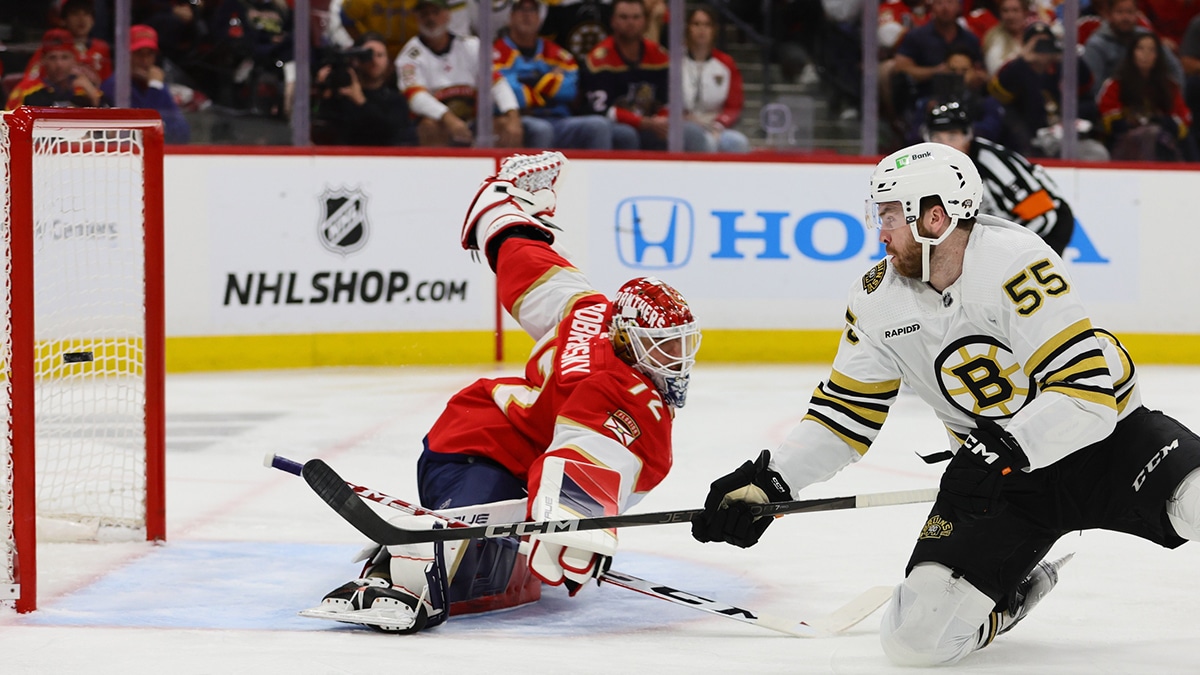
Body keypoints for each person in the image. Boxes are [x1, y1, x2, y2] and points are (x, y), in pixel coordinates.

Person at [691, 141, 1200, 666]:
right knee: (914, 643)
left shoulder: (1014, 264)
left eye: (889, 213)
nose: (879, 230)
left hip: (1107, 446)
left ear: (934, 216)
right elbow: (846, 413)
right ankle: (1010, 597)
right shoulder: (875, 298)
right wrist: (773, 481)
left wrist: (1000, 449)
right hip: (1000, 483)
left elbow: (1086, 396)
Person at [310, 151, 702, 633]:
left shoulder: (591, 309)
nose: (675, 361)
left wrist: (503, 211)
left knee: (501, 538)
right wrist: (571, 519)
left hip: (486, 433)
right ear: (625, 337)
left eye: (680, 347)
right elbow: (582, 452)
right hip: (477, 451)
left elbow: (529, 265)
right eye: (661, 348)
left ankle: (442, 539)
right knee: (462, 536)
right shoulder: (612, 387)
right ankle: (396, 578)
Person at [922, 101, 1073, 255]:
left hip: (1050, 226)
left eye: (952, 137)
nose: (944, 146)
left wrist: (1003, 249)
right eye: (936, 138)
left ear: (967, 136)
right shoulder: (932, 165)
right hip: (1007, 228)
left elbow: (1043, 216)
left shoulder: (994, 164)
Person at [580, 0, 705, 150]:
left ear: (644, 21)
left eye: (636, 17)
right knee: (626, 135)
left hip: (652, 124)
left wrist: (662, 120)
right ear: (613, 21)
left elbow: (668, 100)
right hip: (617, 125)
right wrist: (643, 122)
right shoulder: (599, 60)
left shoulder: (659, 56)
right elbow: (600, 109)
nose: (630, 22)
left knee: (693, 133)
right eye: (624, 17)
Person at [397, 0, 523, 147]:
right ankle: (436, 170)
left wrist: (512, 115)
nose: (430, 18)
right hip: (437, 122)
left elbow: (496, 83)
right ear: (417, 18)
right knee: (430, 127)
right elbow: (416, 97)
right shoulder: (409, 56)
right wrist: (448, 118)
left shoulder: (471, 45)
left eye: (435, 13)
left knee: (506, 126)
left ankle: (506, 169)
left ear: (447, 15)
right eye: (425, 14)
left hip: (474, 120)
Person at [493, 0, 613, 149]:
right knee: (542, 130)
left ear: (540, 17)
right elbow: (508, 92)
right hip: (522, 119)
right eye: (520, 9)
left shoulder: (556, 53)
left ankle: (596, 173)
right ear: (510, 16)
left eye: (532, 10)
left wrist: (530, 82)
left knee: (598, 126)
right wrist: (549, 83)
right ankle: (537, 172)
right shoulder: (496, 52)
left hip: (558, 118)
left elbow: (570, 90)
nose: (526, 15)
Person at [990, 22, 1107, 160]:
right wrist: (1022, 59)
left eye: (1046, 42)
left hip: (1063, 136)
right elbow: (998, 92)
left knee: (1097, 153)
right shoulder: (1016, 68)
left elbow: (1086, 84)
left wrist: (1066, 54)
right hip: (1027, 139)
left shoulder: (1060, 68)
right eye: (1037, 43)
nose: (1042, 48)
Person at [1097, 31, 1194, 161]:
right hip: (1125, 142)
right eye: (1140, 48)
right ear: (1132, 53)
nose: (1146, 54)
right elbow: (1107, 116)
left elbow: (1183, 118)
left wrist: (1163, 122)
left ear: (1158, 56)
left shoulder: (1170, 86)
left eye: (1151, 50)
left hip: (1164, 144)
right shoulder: (1116, 84)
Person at [313, 32, 416, 146]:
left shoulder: (396, 101)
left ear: (388, 61)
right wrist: (322, 90)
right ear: (357, 60)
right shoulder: (342, 96)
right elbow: (322, 129)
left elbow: (389, 133)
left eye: (380, 55)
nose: (374, 60)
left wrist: (361, 101)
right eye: (368, 55)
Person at [99, 25, 191, 144]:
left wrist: (156, 86)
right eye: (139, 54)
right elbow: (142, 129)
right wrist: (154, 87)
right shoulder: (114, 86)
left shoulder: (157, 85)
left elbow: (182, 133)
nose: (145, 61)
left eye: (150, 54)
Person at [682, 5, 750, 153]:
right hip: (684, 125)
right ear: (688, 28)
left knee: (739, 143)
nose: (702, 29)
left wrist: (719, 125)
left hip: (715, 125)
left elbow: (735, 105)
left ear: (714, 30)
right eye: (696, 24)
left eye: (707, 25)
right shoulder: (675, 62)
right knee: (706, 143)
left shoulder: (726, 63)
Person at [1082, 0, 1183, 96]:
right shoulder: (1097, 44)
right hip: (1112, 102)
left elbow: (1174, 68)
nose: (1125, 17)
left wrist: (1175, 100)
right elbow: (1093, 87)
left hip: (1150, 101)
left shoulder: (1147, 37)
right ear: (1109, 15)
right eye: (1119, 12)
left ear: (1137, 14)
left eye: (1130, 12)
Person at [5, 28, 103, 109]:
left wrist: (93, 97)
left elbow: (110, 129)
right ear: (43, 60)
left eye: (65, 57)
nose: (59, 64)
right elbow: (7, 125)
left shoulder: (83, 88)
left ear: (74, 59)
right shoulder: (25, 91)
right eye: (53, 58)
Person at [22, 0, 111, 85]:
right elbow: (30, 82)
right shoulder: (51, 49)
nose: (81, 19)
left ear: (93, 20)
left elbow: (109, 85)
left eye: (86, 14)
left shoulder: (101, 48)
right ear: (64, 20)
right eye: (75, 13)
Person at [981, 0, 1028, 76]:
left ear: (1025, 13)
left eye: (1015, 10)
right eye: (1005, 11)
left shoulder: (1033, 35)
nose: (1010, 16)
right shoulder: (994, 38)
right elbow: (997, 70)